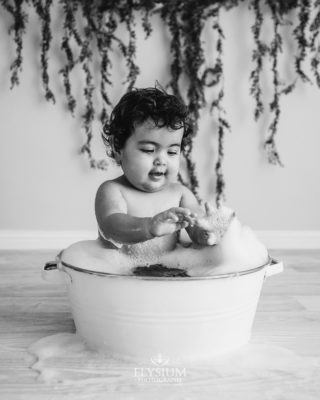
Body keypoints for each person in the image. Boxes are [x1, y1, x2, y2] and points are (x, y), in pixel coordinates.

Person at [95, 86, 233, 262]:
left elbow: (195, 230)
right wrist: (149, 226)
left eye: (172, 152)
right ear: (117, 148)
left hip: (168, 272)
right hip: (120, 275)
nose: (161, 160)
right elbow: (111, 227)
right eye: (149, 149)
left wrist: (206, 232)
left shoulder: (181, 194)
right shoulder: (113, 191)